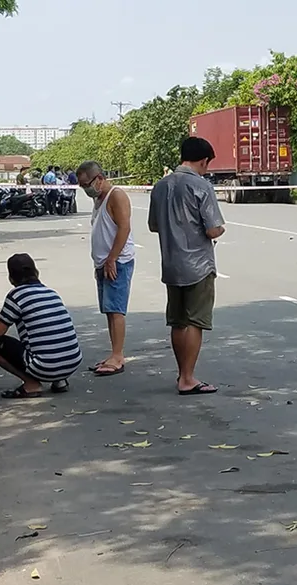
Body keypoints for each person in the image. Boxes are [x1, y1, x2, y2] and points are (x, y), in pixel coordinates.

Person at [147, 137, 225, 395]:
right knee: (195, 321)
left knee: (178, 322)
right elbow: (212, 229)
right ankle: (188, 378)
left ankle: (183, 373)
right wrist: (220, 229)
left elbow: (154, 225)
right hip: (198, 265)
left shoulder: (160, 186)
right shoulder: (201, 186)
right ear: (203, 161)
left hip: (171, 263)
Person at [0, 254, 82, 397]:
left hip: (44, 366)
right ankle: (60, 381)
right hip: (72, 362)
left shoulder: (16, 295)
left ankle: (31, 385)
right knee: (52, 338)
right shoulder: (51, 292)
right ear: (36, 272)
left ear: (11, 278)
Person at [77, 160, 135, 376]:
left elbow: (124, 227)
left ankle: (118, 356)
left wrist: (112, 258)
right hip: (104, 263)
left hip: (117, 262)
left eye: (87, 184)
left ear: (99, 178)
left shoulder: (116, 196)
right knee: (109, 310)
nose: (86, 189)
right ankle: (114, 353)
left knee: (116, 309)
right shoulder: (99, 199)